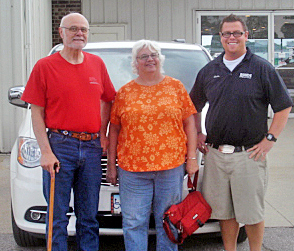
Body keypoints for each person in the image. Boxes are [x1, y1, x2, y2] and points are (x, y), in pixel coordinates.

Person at [190, 14, 294, 251]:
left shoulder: (261, 68)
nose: (232, 37)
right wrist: (198, 132)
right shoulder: (210, 70)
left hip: (249, 155)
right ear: (220, 37)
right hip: (216, 154)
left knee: (252, 213)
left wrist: (270, 139)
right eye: (227, 33)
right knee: (225, 212)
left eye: (237, 33)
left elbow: (283, 106)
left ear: (246, 35)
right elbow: (193, 106)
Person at [21, 13, 116, 251]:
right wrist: (45, 151)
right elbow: (36, 112)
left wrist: (102, 134)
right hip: (59, 146)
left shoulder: (97, 64)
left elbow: (108, 100)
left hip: (92, 148)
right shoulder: (45, 66)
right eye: (73, 29)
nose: (79, 34)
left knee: (89, 216)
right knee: (57, 215)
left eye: (83, 29)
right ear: (61, 32)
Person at [106, 39, 198, 251]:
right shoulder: (125, 92)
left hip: (171, 167)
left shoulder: (176, 87)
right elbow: (115, 130)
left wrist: (191, 158)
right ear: (135, 62)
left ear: (160, 59)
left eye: (153, 55)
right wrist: (112, 165)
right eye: (143, 56)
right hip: (133, 170)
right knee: (133, 222)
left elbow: (190, 124)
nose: (149, 59)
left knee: (168, 220)